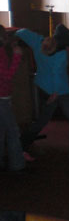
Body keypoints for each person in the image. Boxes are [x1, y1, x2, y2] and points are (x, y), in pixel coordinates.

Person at [16, 25, 69, 165]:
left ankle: (19, 148)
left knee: (42, 121)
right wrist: (55, 93)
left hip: (43, 87)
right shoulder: (61, 54)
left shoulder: (38, 40)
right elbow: (57, 75)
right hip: (59, 91)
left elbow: (21, 32)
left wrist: (14, 33)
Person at [0, 25, 25, 173]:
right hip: (2, 96)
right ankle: (17, 164)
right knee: (12, 131)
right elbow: (7, 76)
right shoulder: (1, 52)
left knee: (2, 130)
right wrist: (17, 57)